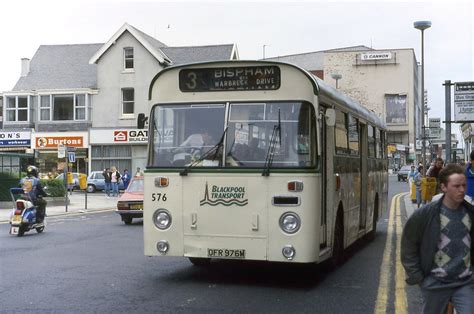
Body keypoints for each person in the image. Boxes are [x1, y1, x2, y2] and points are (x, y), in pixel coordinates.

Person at [401, 164, 474, 313]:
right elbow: (408, 245)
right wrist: (420, 279)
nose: (462, 190)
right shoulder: (426, 214)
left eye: (463, 185)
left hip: (465, 282)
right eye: (456, 186)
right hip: (435, 283)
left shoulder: (470, 213)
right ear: (444, 187)